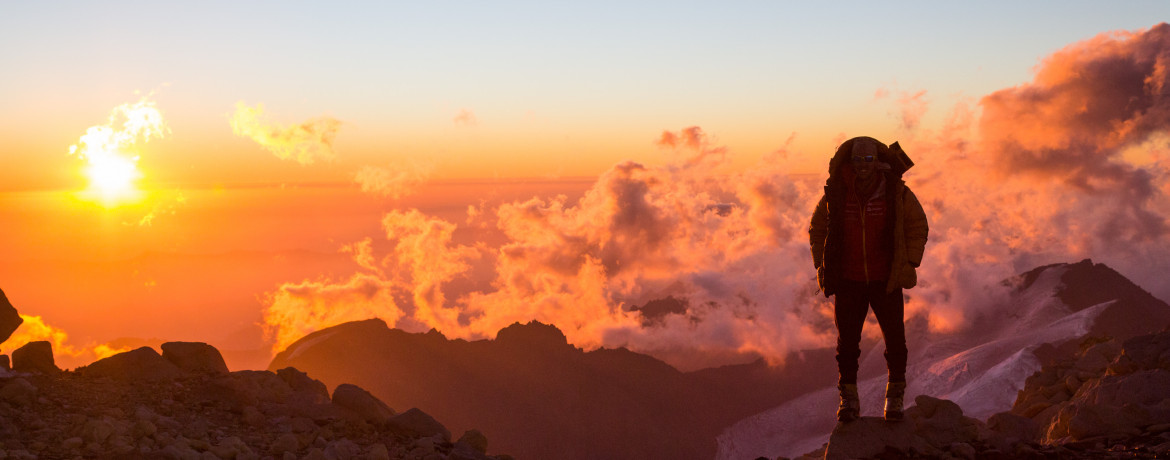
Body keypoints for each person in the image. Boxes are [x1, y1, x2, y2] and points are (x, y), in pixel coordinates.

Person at [808, 136, 928, 422]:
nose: (863, 166)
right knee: (847, 345)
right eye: (858, 160)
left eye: (869, 160)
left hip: (885, 279)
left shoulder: (896, 192)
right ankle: (849, 401)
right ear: (850, 162)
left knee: (895, 342)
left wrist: (909, 261)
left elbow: (917, 224)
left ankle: (894, 399)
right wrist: (822, 265)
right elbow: (817, 229)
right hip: (848, 281)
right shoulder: (836, 194)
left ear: (878, 161)